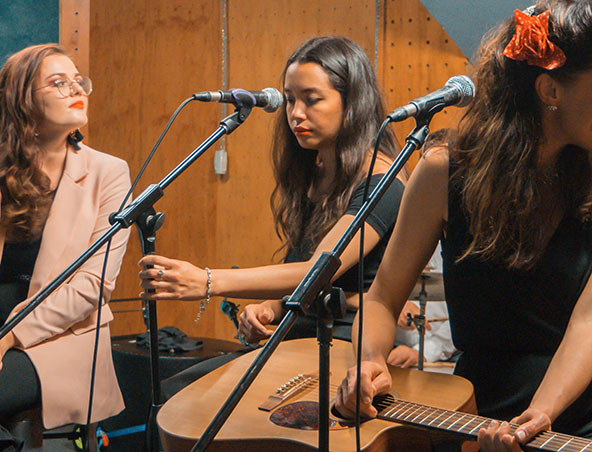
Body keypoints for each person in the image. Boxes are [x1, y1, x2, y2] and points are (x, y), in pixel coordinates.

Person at [335, 2, 592, 451]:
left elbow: (589, 323)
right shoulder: (443, 172)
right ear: (550, 90)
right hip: (470, 414)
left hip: (573, 418)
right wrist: (368, 361)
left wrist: (537, 417)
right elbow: (381, 298)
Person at [138, 36, 405, 394]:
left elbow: (319, 269)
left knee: (184, 395)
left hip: (345, 345)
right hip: (301, 332)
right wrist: (271, 308)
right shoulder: (318, 170)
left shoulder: (383, 179)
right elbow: (308, 280)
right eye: (291, 99)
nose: (295, 113)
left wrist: (207, 281)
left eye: (312, 100)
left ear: (352, 102)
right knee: (175, 393)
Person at [0, 43, 131, 437]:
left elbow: (92, 288)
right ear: (21, 101)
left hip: (58, 337)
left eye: (78, 81)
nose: (77, 89)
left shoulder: (108, 173)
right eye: (59, 83)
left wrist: (9, 336)